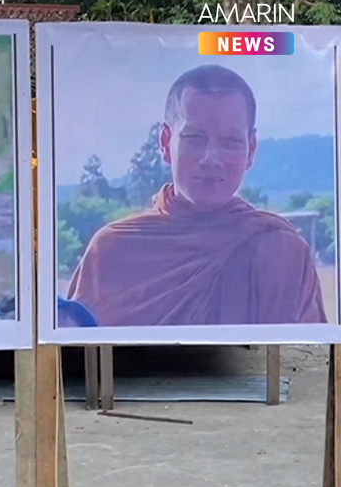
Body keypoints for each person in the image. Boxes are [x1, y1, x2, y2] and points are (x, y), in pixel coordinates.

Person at [65, 64, 327, 327]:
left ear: (251, 149)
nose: (211, 158)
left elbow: (306, 361)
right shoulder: (112, 252)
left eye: (231, 141)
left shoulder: (281, 251)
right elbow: (80, 360)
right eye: (194, 138)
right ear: (165, 143)